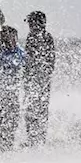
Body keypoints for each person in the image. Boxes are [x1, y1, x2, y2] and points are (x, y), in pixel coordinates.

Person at [0, 26, 26, 151]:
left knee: (11, 122)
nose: (9, 40)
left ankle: (9, 148)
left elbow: (21, 66)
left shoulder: (21, 53)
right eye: (5, 37)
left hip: (12, 93)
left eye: (11, 37)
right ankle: (0, 148)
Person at [23, 10, 56, 145]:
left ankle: (37, 139)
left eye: (31, 22)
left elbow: (49, 62)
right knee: (34, 110)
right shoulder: (35, 36)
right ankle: (34, 139)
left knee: (36, 110)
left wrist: (33, 76)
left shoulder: (42, 37)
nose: (29, 25)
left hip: (39, 81)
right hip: (36, 81)